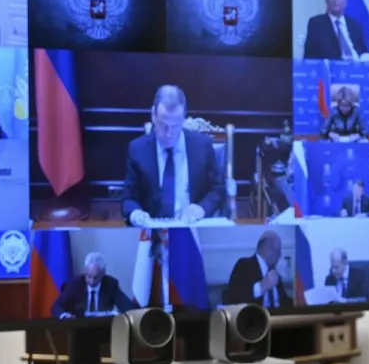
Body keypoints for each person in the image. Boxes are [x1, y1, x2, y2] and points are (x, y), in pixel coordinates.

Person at [121, 85, 226, 227]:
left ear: (183, 119)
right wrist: (136, 213)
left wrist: (201, 209)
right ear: (153, 115)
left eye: (175, 126)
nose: (169, 134)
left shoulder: (202, 146)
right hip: (153, 230)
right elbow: (128, 198)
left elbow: (218, 190)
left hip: (192, 226)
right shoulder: (137, 149)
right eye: (163, 126)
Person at [52, 251, 135, 319]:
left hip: (104, 329)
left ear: (103, 274)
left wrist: (120, 315)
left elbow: (128, 307)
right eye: (89, 276)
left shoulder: (110, 284)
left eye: (96, 277)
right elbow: (56, 307)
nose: (91, 281)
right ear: (85, 271)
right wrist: (66, 316)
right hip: (78, 330)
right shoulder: (75, 284)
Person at [224, 229, 293, 310]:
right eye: (278, 251)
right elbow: (234, 299)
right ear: (267, 248)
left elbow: (284, 300)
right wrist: (261, 287)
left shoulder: (274, 272)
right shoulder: (243, 265)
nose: (279, 256)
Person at [302, 0, 369, 60]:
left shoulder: (355, 25)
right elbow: (310, 55)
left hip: (354, 68)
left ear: (345, 1)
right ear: (326, 1)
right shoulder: (316, 24)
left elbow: (363, 53)